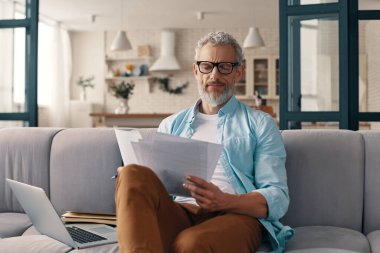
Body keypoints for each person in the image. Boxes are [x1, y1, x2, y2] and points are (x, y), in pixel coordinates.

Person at [115, 31, 293, 253]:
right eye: (207, 66)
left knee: (190, 244)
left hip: (235, 215)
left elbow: (277, 197)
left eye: (224, 66)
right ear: (196, 71)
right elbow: (155, 189)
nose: (214, 75)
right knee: (131, 173)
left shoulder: (260, 124)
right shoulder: (171, 125)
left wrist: (224, 201)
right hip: (180, 212)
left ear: (239, 72)